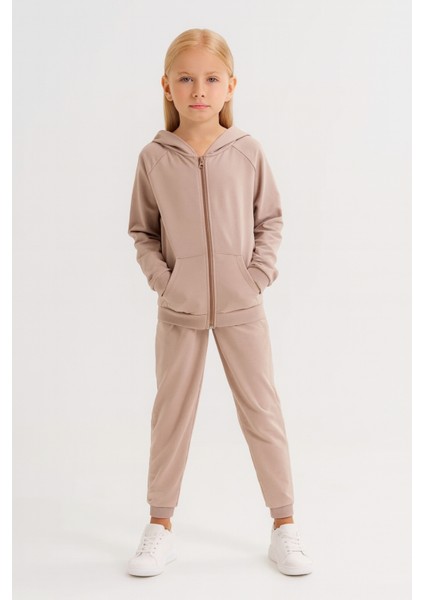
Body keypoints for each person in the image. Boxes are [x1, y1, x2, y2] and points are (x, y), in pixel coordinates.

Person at [127, 28, 313, 578]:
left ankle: (285, 527)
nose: (199, 89)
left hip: (242, 305)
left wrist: (257, 276)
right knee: (171, 416)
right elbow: (143, 231)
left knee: (262, 411)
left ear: (231, 86)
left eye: (211, 78)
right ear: (167, 85)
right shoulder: (154, 158)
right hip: (179, 309)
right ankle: (159, 528)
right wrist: (165, 282)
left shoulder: (248, 151)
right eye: (186, 78)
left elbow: (269, 219)